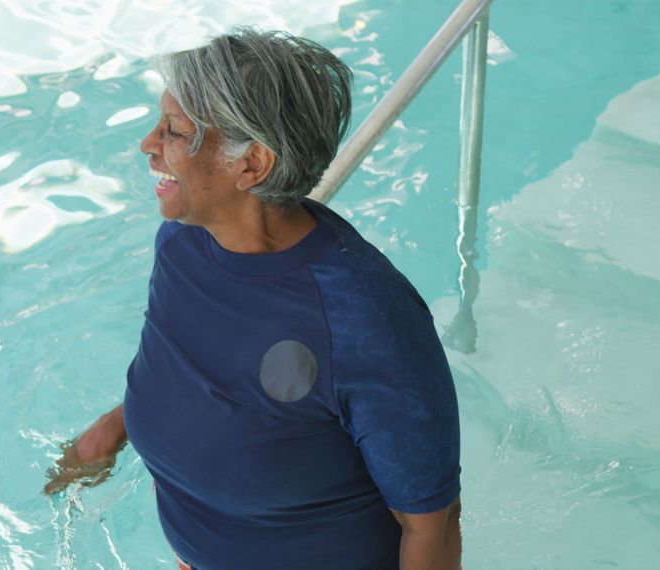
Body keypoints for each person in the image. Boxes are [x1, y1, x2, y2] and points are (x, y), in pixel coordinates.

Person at [45, 27, 462, 570]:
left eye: (173, 130)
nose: (149, 144)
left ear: (253, 164)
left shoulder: (362, 320)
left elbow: (431, 524)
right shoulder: (184, 240)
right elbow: (215, 374)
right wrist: (116, 425)